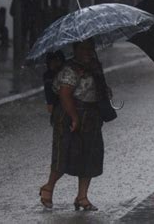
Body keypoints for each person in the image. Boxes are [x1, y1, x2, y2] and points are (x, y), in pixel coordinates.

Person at [39, 39, 107, 211]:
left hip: (91, 117)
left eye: (90, 48)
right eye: (83, 48)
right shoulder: (70, 69)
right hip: (69, 117)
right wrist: (74, 117)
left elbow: (95, 87)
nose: (87, 52)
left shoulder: (94, 66)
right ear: (75, 49)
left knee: (89, 156)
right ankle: (48, 188)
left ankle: (82, 196)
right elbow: (64, 94)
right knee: (63, 154)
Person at [43, 50, 65, 124]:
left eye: (56, 61)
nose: (54, 63)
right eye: (51, 62)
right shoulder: (48, 75)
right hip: (56, 103)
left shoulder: (65, 72)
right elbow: (48, 91)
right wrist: (49, 103)